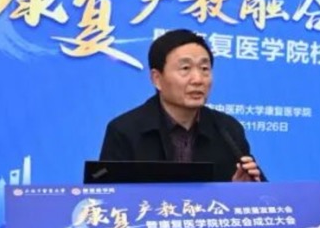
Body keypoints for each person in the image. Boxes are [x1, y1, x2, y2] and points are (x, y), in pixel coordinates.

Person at [98, 29, 264, 182]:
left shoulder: (228, 130)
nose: (198, 79)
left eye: (204, 68)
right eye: (185, 68)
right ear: (157, 79)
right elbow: (106, 193)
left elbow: (263, 195)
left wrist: (241, 191)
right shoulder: (125, 131)